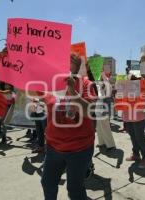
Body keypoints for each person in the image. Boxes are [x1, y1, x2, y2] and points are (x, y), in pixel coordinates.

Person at [40, 54, 96, 200]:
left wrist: (72, 91)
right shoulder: (49, 83)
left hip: (80, 149)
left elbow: (89, 111)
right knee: (47, 183)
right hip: (53, 147)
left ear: (79, 66)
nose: (66, 64)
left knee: (75, 190)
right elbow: (33, 98)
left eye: (72, 61)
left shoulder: (86, 84)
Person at [123, 73, 145, 169]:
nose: (127, 81)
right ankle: (136, 154)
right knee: (133, 137)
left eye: (129, 79)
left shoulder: (140, 89)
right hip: (128, 117)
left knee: (140, 138)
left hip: (138, 117)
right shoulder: (124, 89)